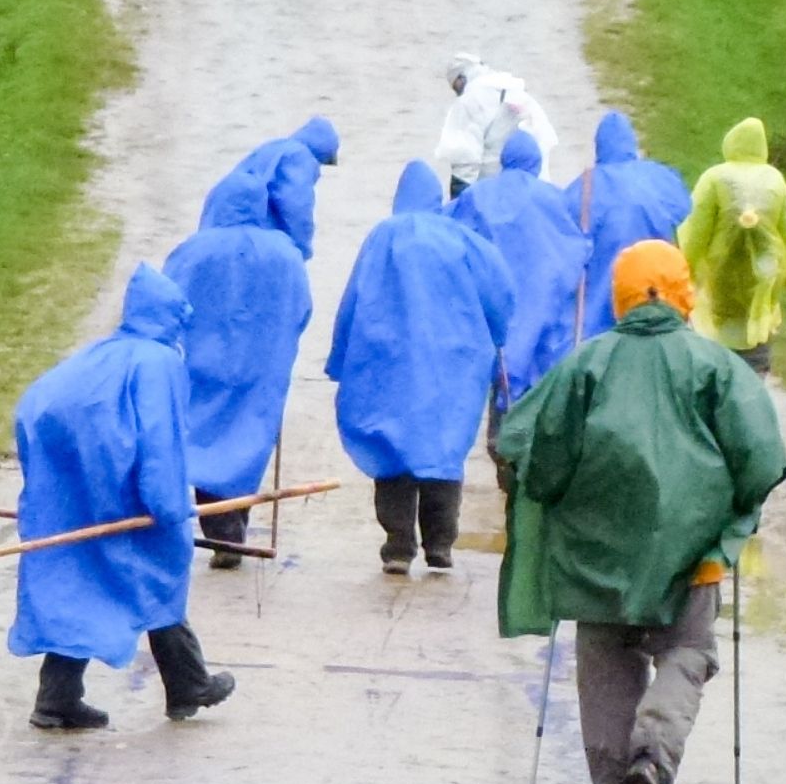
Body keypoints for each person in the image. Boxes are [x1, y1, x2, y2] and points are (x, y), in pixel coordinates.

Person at [496, 242, 786, 784]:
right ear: (685, 292)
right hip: (694, 554)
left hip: (595, 557)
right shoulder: (715, 368)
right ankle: (653, 756)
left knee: (604, 671)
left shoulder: (586, 366)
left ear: (620, 295)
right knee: (687, 652)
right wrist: (727, 513)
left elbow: (533, 451)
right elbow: (761, 459)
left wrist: (547, 499)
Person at [6, 265, 237, 732]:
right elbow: (160, 444)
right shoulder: (158, 363)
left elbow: (37, 407)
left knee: (85, 583)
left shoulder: (100, 354)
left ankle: (59, 699)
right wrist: (168, 508)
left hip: (75, 491)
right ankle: (189, 685)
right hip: (123, 495)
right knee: (158, 578)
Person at [327, 160, 515, 574]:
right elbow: (499, 293)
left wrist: (340, 357)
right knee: (443, 448)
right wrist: (498, 336)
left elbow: (353, 300)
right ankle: (440, 542)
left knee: (390, 448)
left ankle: (398, 543)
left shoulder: (381, 238)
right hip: (452, 363)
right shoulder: (462, 240)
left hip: (387, 363)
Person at [165, 173, 315, 570]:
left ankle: (222, 534)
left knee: (205, 441)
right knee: (247, 443)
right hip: (260, 368)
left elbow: (166, 302)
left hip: (201, 365)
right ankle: (233, 528)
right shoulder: (284, 253)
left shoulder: (194, 251)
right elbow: (301, 309)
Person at [446, 129, 592, 402]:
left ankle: (500, 409)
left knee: (500, 349)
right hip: (540, 289)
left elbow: (451, 230)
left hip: (496, 289)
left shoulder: (479, 195)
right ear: (536, 161)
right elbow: (576, 244)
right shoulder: (553, 198)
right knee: (537, 351)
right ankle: (526, 417)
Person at [677, 117, 786, 374]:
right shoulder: (775, 180)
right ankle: (752, 388)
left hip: (719, 274)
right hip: (763, 274)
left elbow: (694, 232)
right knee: (756, 331)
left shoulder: (714, 178)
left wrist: (687, 271)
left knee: (714, 340)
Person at [570, 110, 694, 338]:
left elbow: (564, 232)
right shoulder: (660, 178)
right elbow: (684, 208)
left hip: (602, 309)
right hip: (658, 297)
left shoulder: (584, 187)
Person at [198, 115, 342, 259]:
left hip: (222, 209)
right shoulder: (300, 156)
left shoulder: (275, 146)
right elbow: (295, 203)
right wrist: (301, 248)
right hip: (252, 222)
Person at [434, 53, 558, 197]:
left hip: (493, 194)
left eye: (456, 86)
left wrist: (457, 205)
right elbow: (544, 143)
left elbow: (464, 159)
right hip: (536, 188)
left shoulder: (470, 100)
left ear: (462, 78)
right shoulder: (519, 93)